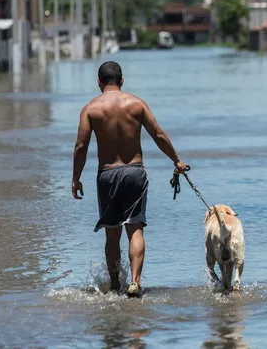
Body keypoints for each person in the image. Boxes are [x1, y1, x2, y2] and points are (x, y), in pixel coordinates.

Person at [72, 61, 187, 298]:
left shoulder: (91, 109)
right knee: (135, 230)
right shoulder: (136, 104)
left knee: (112, 233)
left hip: (107, 174)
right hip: (135, 172)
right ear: (122, 81)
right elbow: (158, 134)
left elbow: (81, 146)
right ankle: (135, 283)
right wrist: (176, 160)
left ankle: (115, 287)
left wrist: (76, 178)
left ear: (99, 82)